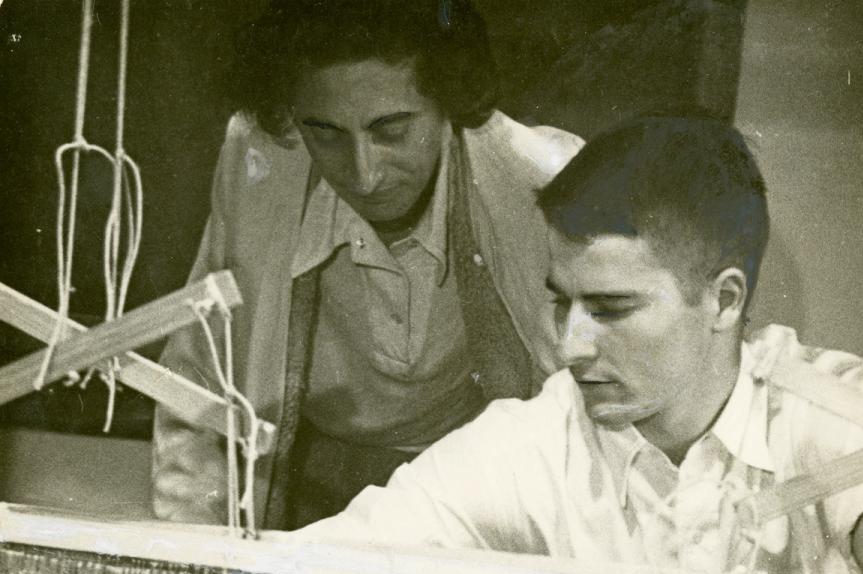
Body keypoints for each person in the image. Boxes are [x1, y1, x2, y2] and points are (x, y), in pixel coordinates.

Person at [291, 115, 863, 574]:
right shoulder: (541, 433)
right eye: (563, 303)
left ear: (724, 300)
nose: (570, 346)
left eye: (611, 310)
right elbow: (332, 557)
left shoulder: (834, 410)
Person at [152, 0, 582, 529]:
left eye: (392, 129)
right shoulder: (260, 158)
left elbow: (585, 416)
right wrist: (195, 551)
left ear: (449, 103)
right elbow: (199, 373)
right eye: (326, 132)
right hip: (307, 473)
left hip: (471, 484)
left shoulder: (545, 183)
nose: (364, 174)